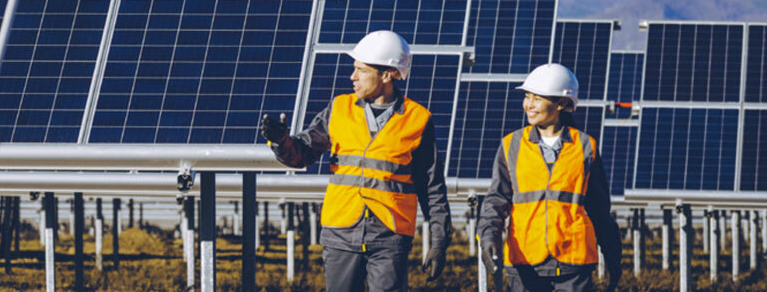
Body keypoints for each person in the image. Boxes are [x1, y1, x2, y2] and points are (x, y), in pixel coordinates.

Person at [260, 30, 450, 292]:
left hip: (390, 235)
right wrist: (282, 142)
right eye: (354, 68)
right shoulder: (339, 108)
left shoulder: (418, 119)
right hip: (340, 231)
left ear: (387, 74)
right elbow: (302, 153)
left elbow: (432, 187)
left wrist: (439, 242)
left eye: (361, 70)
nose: (352, 77)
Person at [477, 63, 623, 292]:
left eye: (537, 98)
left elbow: (599, 209)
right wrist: (487, 238)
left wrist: (613, 257)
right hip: (524, 261)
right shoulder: (511, 145)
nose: (529, 104)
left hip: (573, 263)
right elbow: (495, 200)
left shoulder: (586, 146)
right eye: (527, 96)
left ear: (562, 103)